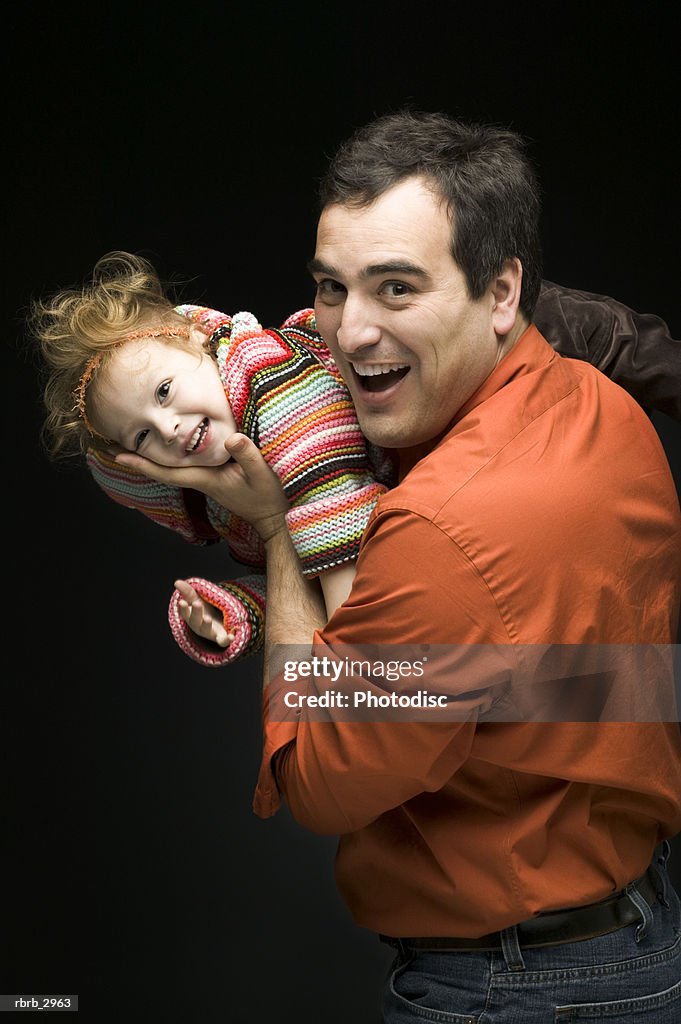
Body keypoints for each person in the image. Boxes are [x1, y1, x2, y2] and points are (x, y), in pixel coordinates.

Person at [115, 110, 681, 1022]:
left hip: (511, 991)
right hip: (640, 935)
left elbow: (321, 780)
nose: (344, 334)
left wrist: (281, 526)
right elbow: (613, 683)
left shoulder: (436, 530)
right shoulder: (604, 406)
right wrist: (459, 688)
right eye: (331, 288)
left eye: (396, 288)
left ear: (501, 293)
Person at [30, 251, 392, 665]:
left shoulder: (273, 381)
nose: (168, 429)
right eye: (142, 434)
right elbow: (299, 573)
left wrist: (356, 662)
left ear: (198, 339)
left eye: (164, 391)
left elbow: (338, 536)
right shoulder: (219, 491)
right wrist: (236, 610)